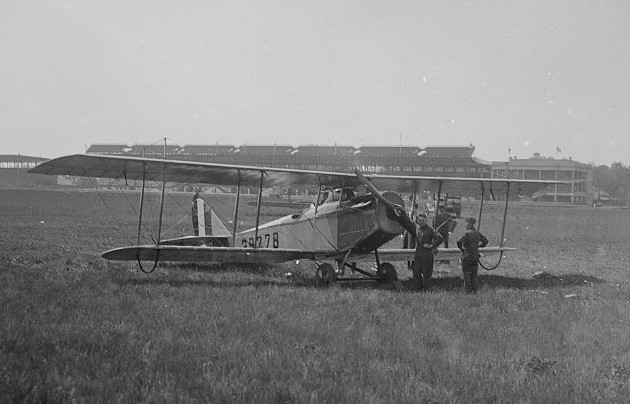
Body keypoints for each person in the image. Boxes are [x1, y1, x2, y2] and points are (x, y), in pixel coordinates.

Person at [456, 217, 489, 293]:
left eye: (466, 223)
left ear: (469, 223)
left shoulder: (466, 233)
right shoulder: (477, 233)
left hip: (466, 256)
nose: (466, 224)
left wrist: (461, 249)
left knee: (466, 275)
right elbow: (485, 241)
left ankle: (467, 292)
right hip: (475, 256)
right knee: (474, 275)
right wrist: (479, 246)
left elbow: (458, 241)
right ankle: (474, 291)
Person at [412, 213, 443, 290]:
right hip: (418, 255)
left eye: (423, 220)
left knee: (426, 275)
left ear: (426, 220)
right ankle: (417, 291)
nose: (421, 222)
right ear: (417, 221)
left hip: (427, 256)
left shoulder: (430, 229)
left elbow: (440, 238)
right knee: (416, 273)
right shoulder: (417, 229)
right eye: (419, 220)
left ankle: (426, 291)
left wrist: (432, 245)